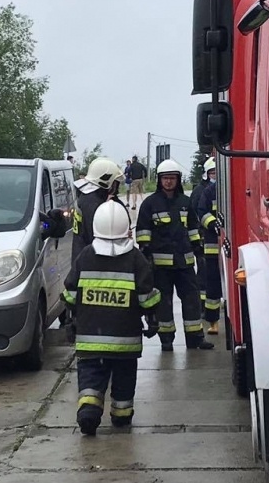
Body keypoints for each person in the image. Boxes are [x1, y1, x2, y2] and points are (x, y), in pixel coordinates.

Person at [62, 199, 161, 435]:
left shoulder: (86, 255)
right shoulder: (136, 258)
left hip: (90, 340)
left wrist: (70, 321)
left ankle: (88, 412)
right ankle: (121, 415)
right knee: (124, 381)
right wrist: (153, 319)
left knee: (90, 378)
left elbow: (70, 294)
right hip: (125, 342)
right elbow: (147, 297)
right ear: (126, 227)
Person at [135, 159, 212, 351]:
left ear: (178, 180)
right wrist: (146, 257)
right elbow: (143, 233)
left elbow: (193, 229)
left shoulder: (185, 203)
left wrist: (198, 251)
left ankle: (195, 338)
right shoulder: (150, 204)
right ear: (159, 180)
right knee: (164, 303)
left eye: (172, 178)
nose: (168, 182)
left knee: (192, 300)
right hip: (160, 267)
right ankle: (166, 339)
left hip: (184, 263)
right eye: (165, 178)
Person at [190, 158, 224, 334]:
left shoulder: (231, 188)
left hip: (230, 245)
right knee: (212, 284)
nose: (215, 176)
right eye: (212, 173)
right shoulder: (209, 192)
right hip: (212, 245)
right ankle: (212, 321)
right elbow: (201, 212)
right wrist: (212, 224)